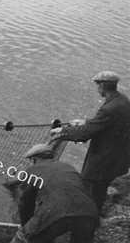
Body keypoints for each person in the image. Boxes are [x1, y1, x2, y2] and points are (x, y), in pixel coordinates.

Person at [0, 144, 98, 243]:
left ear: (35, 159)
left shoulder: (32, 170)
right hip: (90, 213)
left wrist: (26, 225)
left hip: (58, 212)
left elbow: (24, 202)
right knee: (81, 240)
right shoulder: (67, 167)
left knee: (24, 239)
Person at [51, 71, 130, 213]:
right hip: (118, 157)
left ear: (102, 86)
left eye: (97, 85)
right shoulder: (122, 100)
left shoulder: (109, 108)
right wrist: (85, 122)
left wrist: (62, 132)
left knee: (91, 188)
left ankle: (89, 221)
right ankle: (93, 215)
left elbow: (87, 133)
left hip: (104, 160)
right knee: (100, 190)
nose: (96, 88)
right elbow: (104, 123)